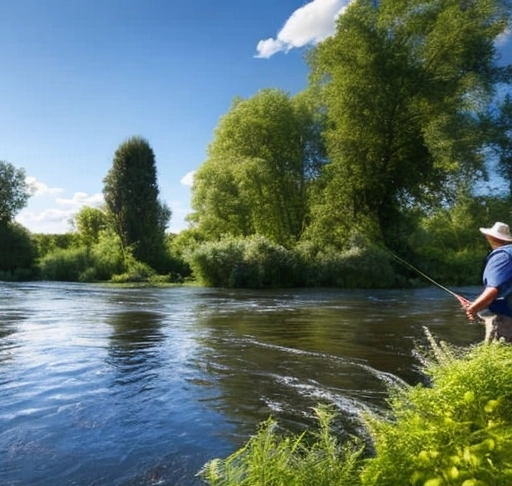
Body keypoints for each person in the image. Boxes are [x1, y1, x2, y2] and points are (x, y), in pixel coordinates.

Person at [465, 221, 512, 342]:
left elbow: (493, 290)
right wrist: (480, 304)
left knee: (498, 356)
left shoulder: (501, 256)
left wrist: (473, 308)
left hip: (507, 318)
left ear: (491, 237)